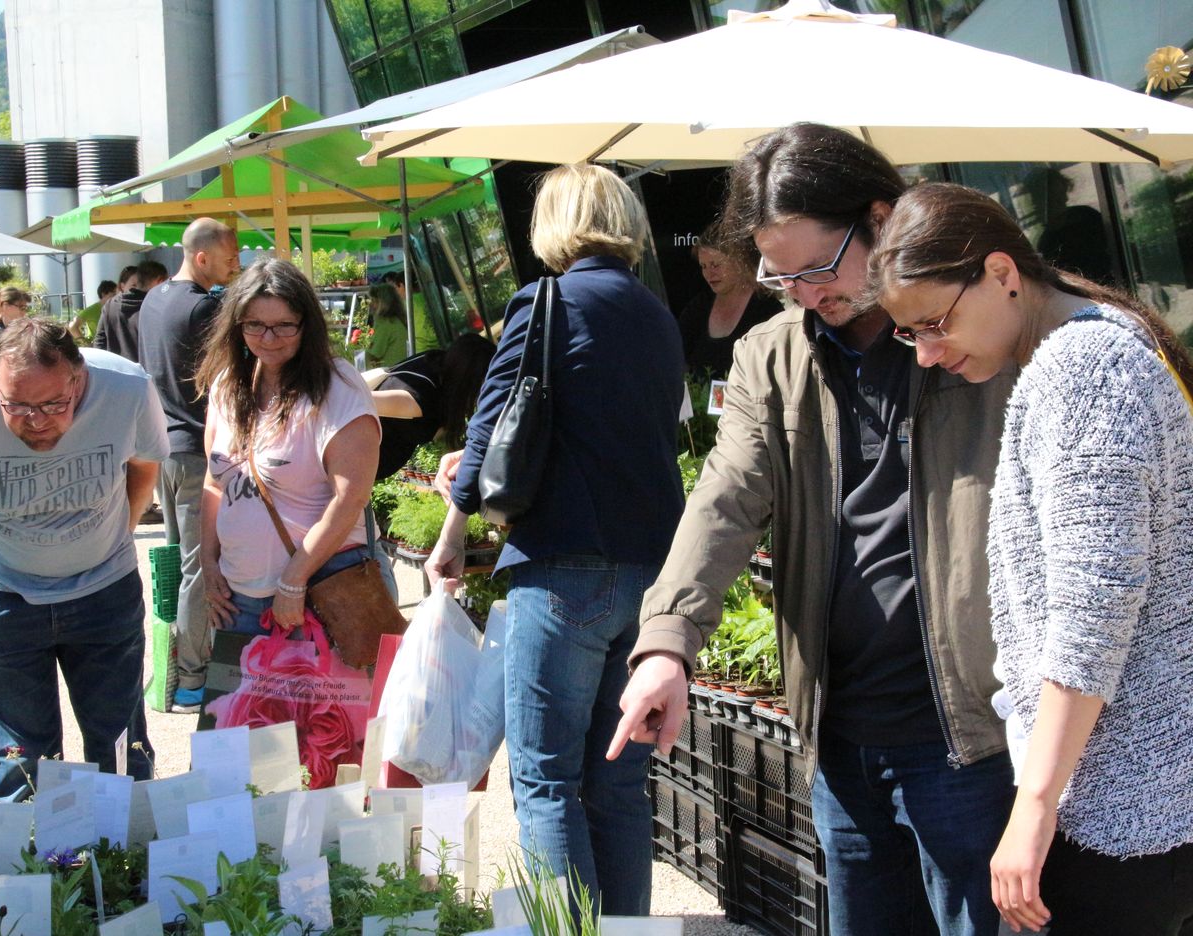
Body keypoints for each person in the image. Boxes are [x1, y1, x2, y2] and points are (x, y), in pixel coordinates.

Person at [609, 124, 1016, 936]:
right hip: (840, 730)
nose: (802, 291)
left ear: (881, 217)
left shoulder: (975, 335)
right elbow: (724, 500)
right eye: (779, 272)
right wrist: (666, 643)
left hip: (971, 730)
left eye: (818, 266)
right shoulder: (772, 354)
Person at [867, 181, 1193, 936]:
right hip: (1145, 795)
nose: (928, 353)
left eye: (935, 323)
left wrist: (1034, 809)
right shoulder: (1103, 344)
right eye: (908, 335)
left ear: (1003, 274)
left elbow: (1093, 612)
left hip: (1127, 809)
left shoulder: (1083, 372)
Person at [426, 163, 685, 916]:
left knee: (544, 781)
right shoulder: (656, 314)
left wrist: (453, 529)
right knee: (617, 783)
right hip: (650, 571)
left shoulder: (543, 302)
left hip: (562, 562)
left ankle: (570, 934)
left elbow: (488, 427)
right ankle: (625, 931)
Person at [0, 318, 167, 799]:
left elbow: (143, 466)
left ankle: (127, 865)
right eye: (16, 405)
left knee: (121, 756)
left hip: (104, 592)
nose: (37, 419)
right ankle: (40, 868)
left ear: (78, 377)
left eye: (53, 404)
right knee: (23, 769)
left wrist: (116, 537)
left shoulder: (127, 389)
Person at [197, 257, 386, 637]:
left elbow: (350, 499)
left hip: (323, 591)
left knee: (330, 699)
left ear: (307, 325)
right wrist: (208, 560)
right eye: (254, 325)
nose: (269, 338)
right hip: (239, 599)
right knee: (240, 699)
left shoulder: (338, 387)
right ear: (237, 326)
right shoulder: (227, 386)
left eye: (284, 325)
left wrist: (293, 579)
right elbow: (216, 482)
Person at [138, 220, 239, 713]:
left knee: (179, 563)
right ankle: (194, 680)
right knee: (201, 569)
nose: (234, 266)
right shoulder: (205, 307)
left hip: (163, 451)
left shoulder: (153, 299)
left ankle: (174, 668)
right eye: (228, 258)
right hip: (199, 452)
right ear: (202, 258)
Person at [368, 333, 496, 481]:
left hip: (361, 473)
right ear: (469, 382)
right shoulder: (418, 397)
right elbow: (357, 401)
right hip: (350, 469)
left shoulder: (437, 364)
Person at [677, 220, 782, 379]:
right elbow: (678, 354)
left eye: (715, 265)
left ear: (738, 261)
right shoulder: (699, 306)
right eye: (703, 266)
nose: (709, 273)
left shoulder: (766, 308)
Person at [94, 260, 169, 362]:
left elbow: (99, 344)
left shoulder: (110, 306)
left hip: (115, 372)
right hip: (145, 375)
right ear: (159, 281)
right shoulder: (155, 307)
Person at [383, 270, 437, 353]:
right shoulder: (432, 296)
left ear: (401, 285)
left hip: (421, 350)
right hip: (438, 345)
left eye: (396, 288)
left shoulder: (407, 303)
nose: (396, 292)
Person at [364, 282, 409, 369]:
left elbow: (375, 353)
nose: (371, 304)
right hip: (399, 370)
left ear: (382, 303)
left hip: (390, 374)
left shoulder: (385, 323)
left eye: (373, 301)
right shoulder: (397, 320)